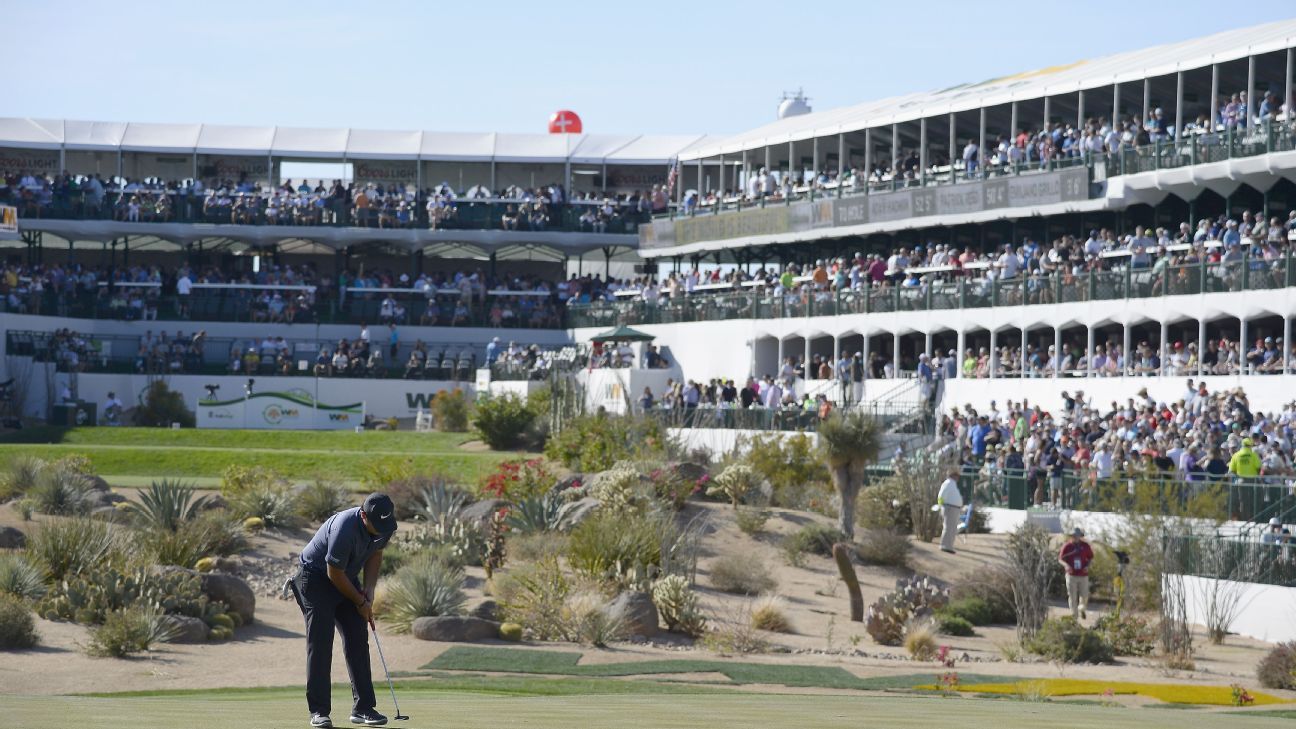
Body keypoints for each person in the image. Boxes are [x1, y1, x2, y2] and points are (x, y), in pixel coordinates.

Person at [288, 494, 398, 728]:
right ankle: (319, 712)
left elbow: (376, 553)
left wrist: (369, 590)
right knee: (321, 642)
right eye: (376, 526)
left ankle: (364, 709)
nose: (381, 530)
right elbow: (333, 573)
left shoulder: (384, 524)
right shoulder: (344, 528)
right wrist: (359, 602)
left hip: (345, 576)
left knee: (358, 637)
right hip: (315, 578)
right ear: (363, 515)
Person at [1058, 527, 1094, 621]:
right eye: (1074, 536)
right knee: (1072, 596)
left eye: (1078, 536)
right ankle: (1074, 616)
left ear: (1080, 536)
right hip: (1071, 575)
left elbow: (1090, 557)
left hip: (1083, 575)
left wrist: (1088, 566)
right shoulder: (1067, 546)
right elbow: (1060, 559)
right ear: (1072, 536)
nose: (1076, 537)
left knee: (1084, 595)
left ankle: (1081, 609)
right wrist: (1066, 565)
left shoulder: (1085, 546)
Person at [936, 470, 963, 554]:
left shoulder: (952, 484)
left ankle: (949, 546)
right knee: (948, 527)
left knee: (952, 528)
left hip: (954, 508)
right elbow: (941, 495)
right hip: (949, 508)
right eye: (957, 476)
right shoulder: (948, 483)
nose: (958, 478)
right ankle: (944, 545)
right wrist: (941, 505)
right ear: (953, 476)